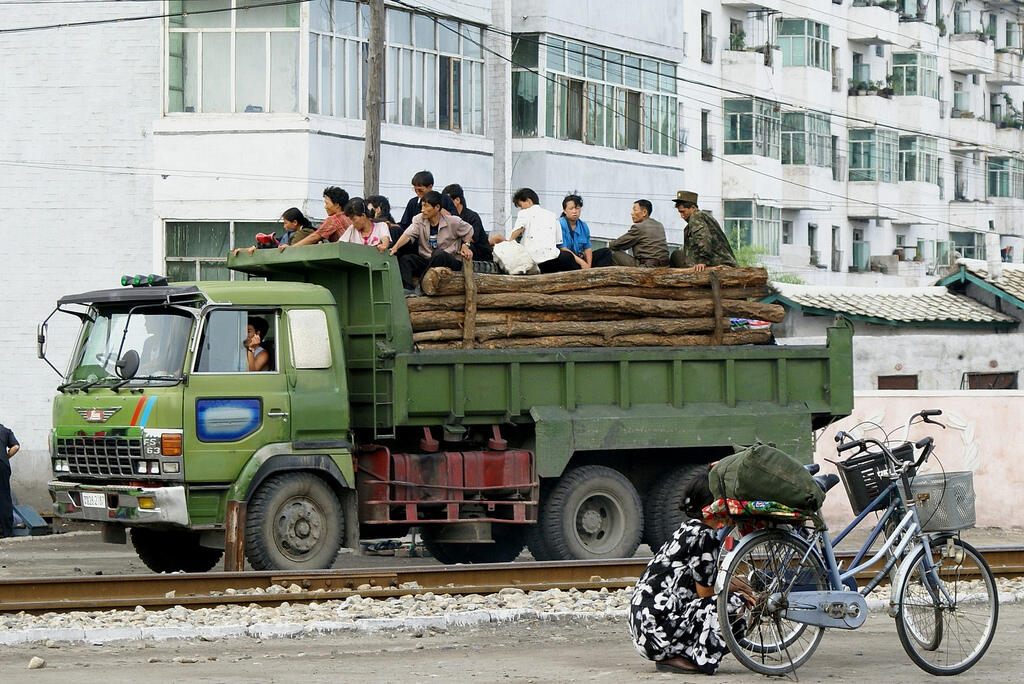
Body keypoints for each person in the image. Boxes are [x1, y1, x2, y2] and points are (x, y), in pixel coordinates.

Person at [628, 465, 751, 675]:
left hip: (645, 630)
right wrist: (742, 593)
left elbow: (710, 574)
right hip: (658, 633)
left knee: (733, 596)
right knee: (734, 605)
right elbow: (706, 591)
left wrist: (742, 585)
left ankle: (675, 655)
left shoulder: (688, 528)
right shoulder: (706, 536)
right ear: (713, 506)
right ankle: (695, 659)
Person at [389, 190, 475, 292]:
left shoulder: (453, 221)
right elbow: (408, 234)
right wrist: (395, 247)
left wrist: (466, 245)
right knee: (406, 259)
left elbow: (469, 231)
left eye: (426, 206)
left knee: (439, 254)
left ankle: (420, 287)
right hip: (428, 260)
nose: (422, 210)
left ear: (437, 207)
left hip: (449, 260)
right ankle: (407, 290)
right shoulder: (419, 220)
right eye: (422, 206)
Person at [492, 188, 577, 273]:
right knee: (567, 257)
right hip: (553, 260)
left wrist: (509, 244)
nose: (521, 209)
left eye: (521, 206)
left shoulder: (524, 213)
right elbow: (558, 242)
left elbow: (516, 232)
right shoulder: (552, 216)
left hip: (534, 263)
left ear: (528, 201)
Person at [669, 191, 738, 272]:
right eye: (680, 212)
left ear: (693, 208)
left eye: (683, 212)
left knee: (676, 255)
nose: (682, 216)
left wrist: (702, 261)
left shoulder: (696, 216)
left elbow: (703, 238)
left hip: (717, 264)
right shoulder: (703, 216)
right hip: (719, 262)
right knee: (678, 254)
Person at [592, 199, 669, 268]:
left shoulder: (639, 227)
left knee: (611, 253)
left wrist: (610, 244)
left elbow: (619, 244)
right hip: (664, 266)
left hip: (646, 266)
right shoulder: (659, 225)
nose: (631, 213)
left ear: (644, 212)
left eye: (635, 210)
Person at [279, 187, 352, 251]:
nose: (325, 207)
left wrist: (291, 248)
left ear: (337, 205)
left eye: (327, 203)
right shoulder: (350, 217)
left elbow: (315, 237)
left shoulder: (334, 219)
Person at [233, 207, 315, 256]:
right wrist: (255, 247)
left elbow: (283, 247)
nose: (284, 226)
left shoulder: (305, 232)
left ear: (295, 222)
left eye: (286, 223)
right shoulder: (293, 233)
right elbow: (277, 243)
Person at [442, 183, 493, 263]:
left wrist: (465, 245)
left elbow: (472, 238)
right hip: (457, 249)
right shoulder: (448, 216)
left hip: (479, 253)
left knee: (467, 248)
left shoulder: (472, 216)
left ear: (457, 200)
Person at [558, 192, 592, 270]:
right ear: (565, 211)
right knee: (565, 255)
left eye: (577, 208)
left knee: (606, 252)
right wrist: (582, 262)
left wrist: (588, 266)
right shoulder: (559, 224)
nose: (574, 211)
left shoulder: (583, 225)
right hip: (567, 261)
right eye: (571, 209)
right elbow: (562, 248)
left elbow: (588, 248)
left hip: (580, 259)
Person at [0, 422, 20, 538]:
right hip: (2, 465)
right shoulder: (6, 431)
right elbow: (16, 446)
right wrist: (6, 457)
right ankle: (7, 531)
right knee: (4, 497)